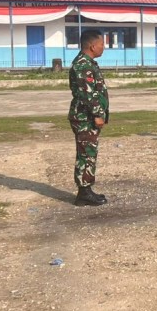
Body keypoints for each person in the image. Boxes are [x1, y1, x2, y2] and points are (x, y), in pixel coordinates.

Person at [69, 29, 110, 206]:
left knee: (88, 153)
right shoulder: (83, 64)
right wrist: (97, 114)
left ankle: (86, 189)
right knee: (86, 154)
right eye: (102, 44)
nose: (103, 48)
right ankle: (83, 192)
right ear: (93, 46)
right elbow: (87, 94)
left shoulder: (88, 62)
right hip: (85, 117)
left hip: (87, 116)